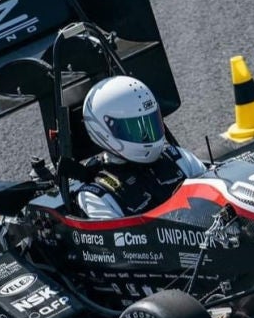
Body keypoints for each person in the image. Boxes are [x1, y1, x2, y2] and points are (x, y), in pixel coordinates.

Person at [76, 75, 205, 219]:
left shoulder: (179, 159)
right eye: (135, 129)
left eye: (151, 123)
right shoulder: (97, 196)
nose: (147, 137)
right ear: (104, 130)